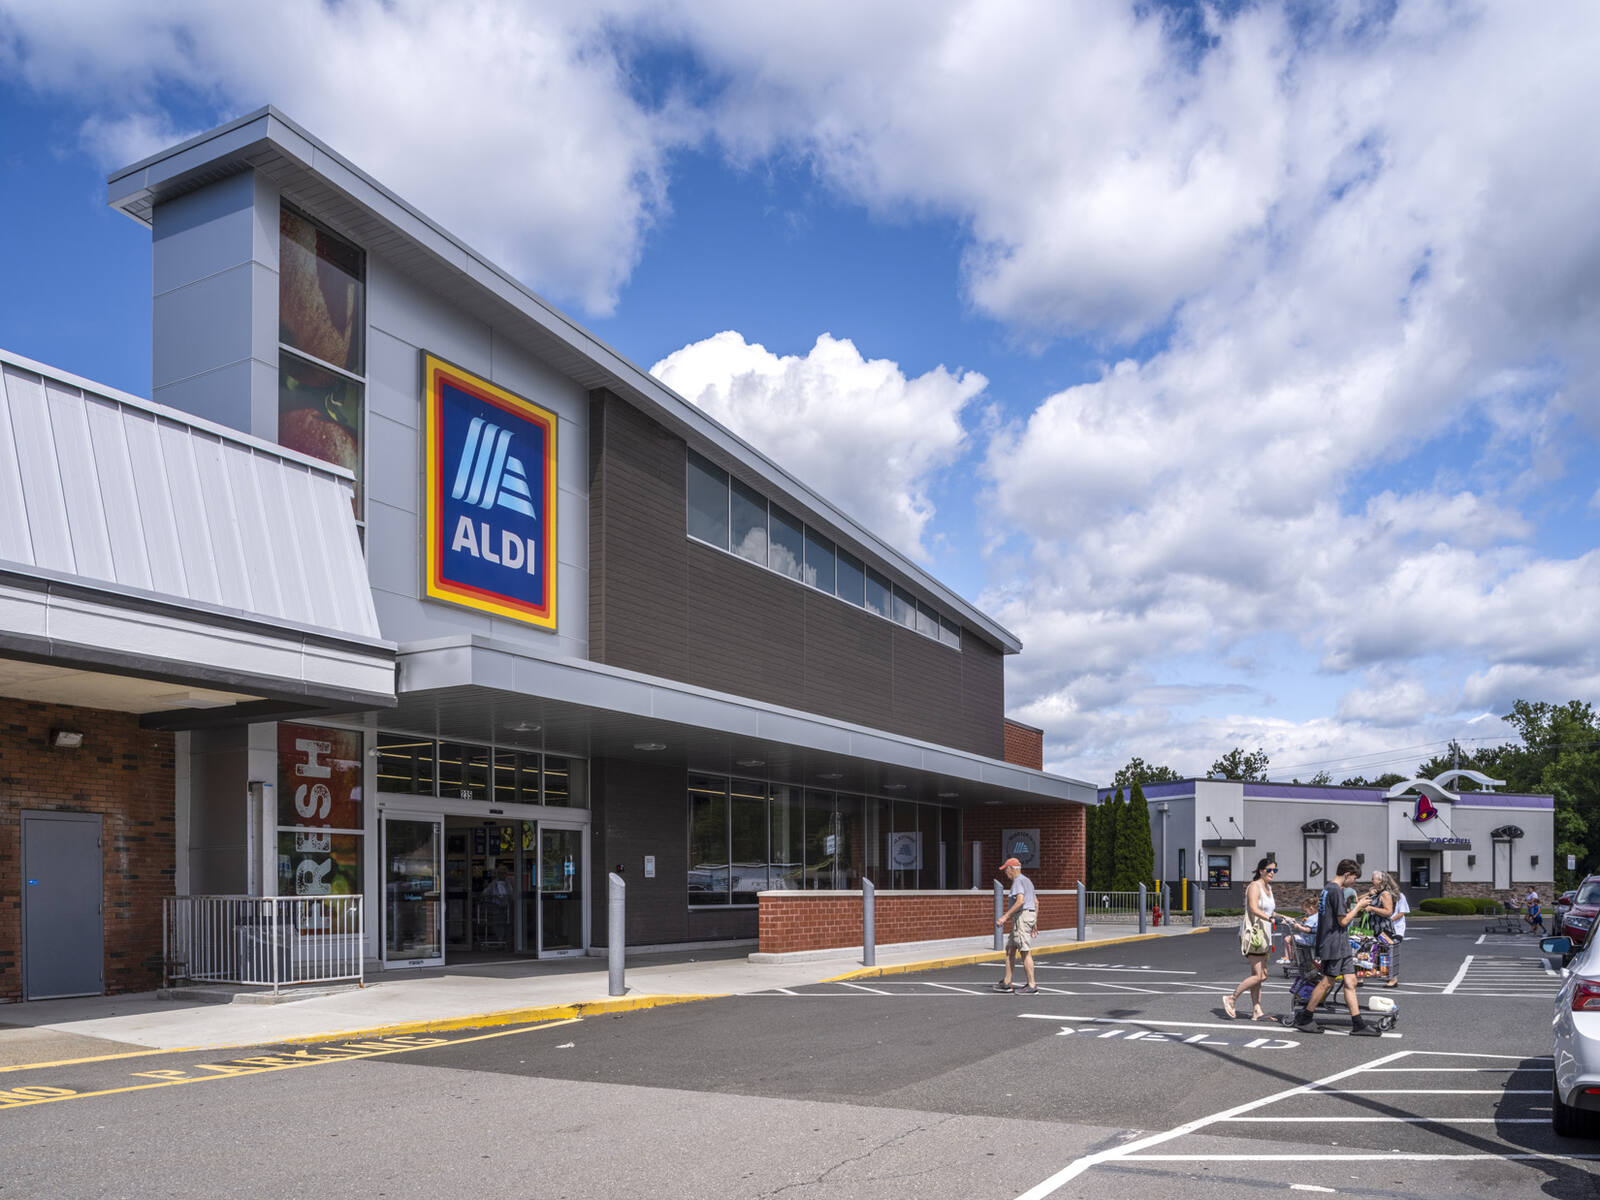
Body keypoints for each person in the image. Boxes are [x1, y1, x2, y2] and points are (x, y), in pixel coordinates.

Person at [1292, 858, 1381, 1035]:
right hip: (1333, 943)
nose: (1354, 882)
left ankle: (1358, 1024)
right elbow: (1343, 921)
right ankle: (1306, 1017)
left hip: (1339, 943)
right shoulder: (1336, 891)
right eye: (1354, 878)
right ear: (1346, 874)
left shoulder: (1327, 888)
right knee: (1327, 981)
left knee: (1350, 981)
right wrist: (1359, 907)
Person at [1224, 857, 1278, 1020]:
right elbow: (1254, 908)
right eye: (1269, 870)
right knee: (1259, 975)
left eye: (1274, 870)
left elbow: (1271, 911)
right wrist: (1270, 919)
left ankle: (1257, 1011)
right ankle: (1231, 998)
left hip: (1264, 936)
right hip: (1253, 935)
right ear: (1261, 871)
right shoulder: (1255, 886)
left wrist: (1285, 918)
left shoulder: (1268, 888)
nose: (1272, 873)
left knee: (1260, 974)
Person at [994, 857, 1039, 994]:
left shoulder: (1018, 881)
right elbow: (1036, 902)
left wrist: (1004, 917)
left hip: (1021, 917)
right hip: (1026, 917)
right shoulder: (1027, 881)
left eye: (1006, 870)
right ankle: (1007, 982)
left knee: (1024, 950)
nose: (1005, 873)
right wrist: (1034, 921)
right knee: (1010, 949)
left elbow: (1020, 901)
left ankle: (1032, 985)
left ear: (1012, 869)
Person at [1364, 870, 1404, 988]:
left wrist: (1372, 908)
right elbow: (1359, 899)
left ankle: (1393, 978)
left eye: (1373, 879)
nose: (1372, 881)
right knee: (1372, 950)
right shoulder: (1377, 892)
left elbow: (1388, 911)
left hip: (1383, 928)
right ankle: (1364, 975)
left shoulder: (1385, 894)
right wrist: (1369, 893)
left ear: (1380, 880)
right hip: (1374, 927)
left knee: (1386, 951)